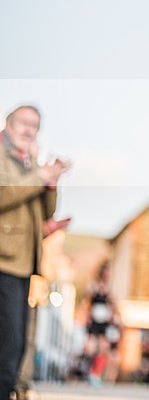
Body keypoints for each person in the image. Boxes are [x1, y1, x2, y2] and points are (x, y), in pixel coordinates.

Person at [0, 105, 69, 400]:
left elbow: (46, 212)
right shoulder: (3, 158)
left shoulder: (28, 163)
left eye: (35, 126)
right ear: (9, 124)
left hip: (24, 264)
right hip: (4, 260)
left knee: (17, 344)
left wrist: (50, 182)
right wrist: (38, 175)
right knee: (9, 341)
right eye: (24, 124)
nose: (29, 130)